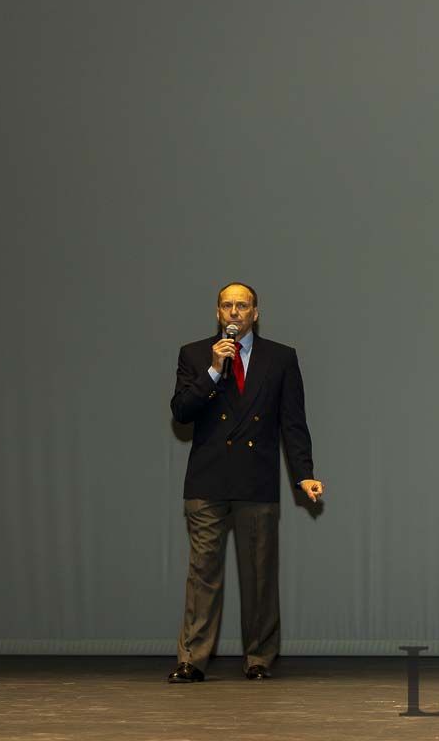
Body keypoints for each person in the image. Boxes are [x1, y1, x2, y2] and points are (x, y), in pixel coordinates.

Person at [166, 282, 324, 683]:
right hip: (207, 479)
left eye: (242, 305)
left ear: (256, 312)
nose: (234, 312)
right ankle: (191, 659)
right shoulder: (195, 355)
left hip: (256, 477)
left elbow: (293, 422)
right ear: (218, 313)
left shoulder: (281, 358)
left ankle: (259, 657)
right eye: (226, 305)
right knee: (203, 572)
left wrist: (304, 474)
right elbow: (181, 411)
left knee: (259, 574)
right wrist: (214, 371)